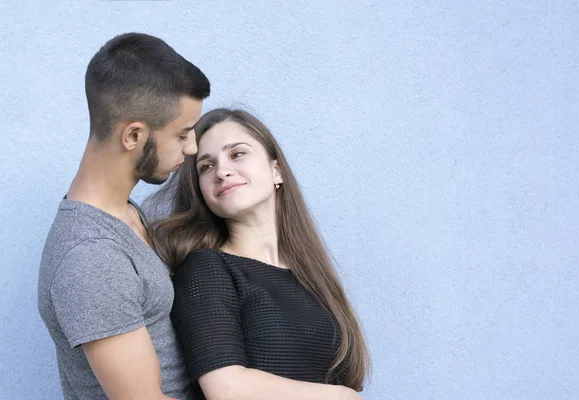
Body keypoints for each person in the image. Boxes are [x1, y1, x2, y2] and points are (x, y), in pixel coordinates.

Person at [148, 108, 370, 400]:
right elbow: (227, 388)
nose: (222, 171)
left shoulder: (311, 278)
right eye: (206, 166)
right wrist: (343, 397)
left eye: (237, 154)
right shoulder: (205, 268)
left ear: (276, 170)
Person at [37, 32, 210, 400]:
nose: (193, 147)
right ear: (133, 135)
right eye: (181, 135)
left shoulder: (125, 213)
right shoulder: (89, 258)